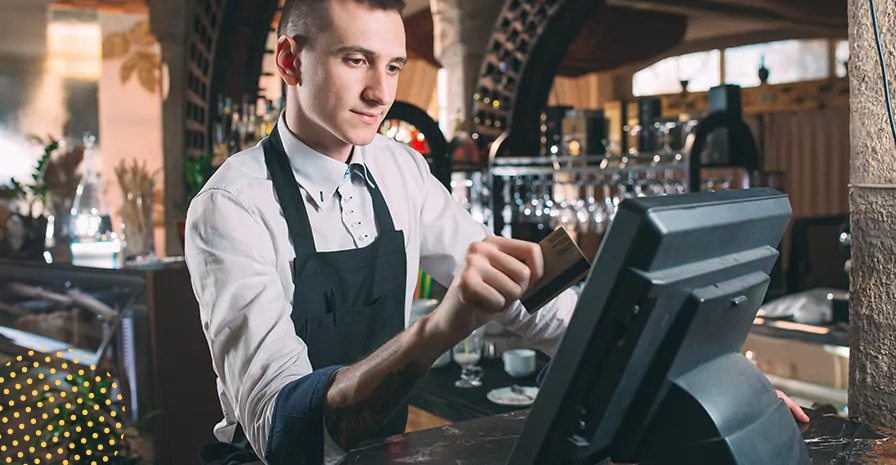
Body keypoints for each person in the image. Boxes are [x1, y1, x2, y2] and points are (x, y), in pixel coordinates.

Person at [184, 0, 809, 464]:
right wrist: (440, 327)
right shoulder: (232, 207)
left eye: (394, 66)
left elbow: (534, 301)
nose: (380, 92)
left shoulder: (398, 168)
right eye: (356, 60)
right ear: (291, 60)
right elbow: (282, 428)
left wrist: (709, 385)